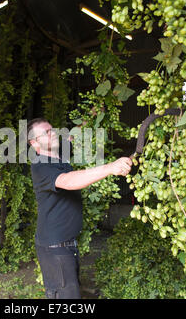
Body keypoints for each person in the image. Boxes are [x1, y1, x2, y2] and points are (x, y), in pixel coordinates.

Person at [27, 117, 132, 299]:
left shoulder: (58, 155)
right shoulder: (40, 166)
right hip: (54, 248)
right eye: (46, 132)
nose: (53, 134)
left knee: (72, 292)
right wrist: (110, 167)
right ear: (34, 142)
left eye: (52, 129)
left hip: (67, 244)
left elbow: (71, 136)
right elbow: (68, 181)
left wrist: (93, 113)